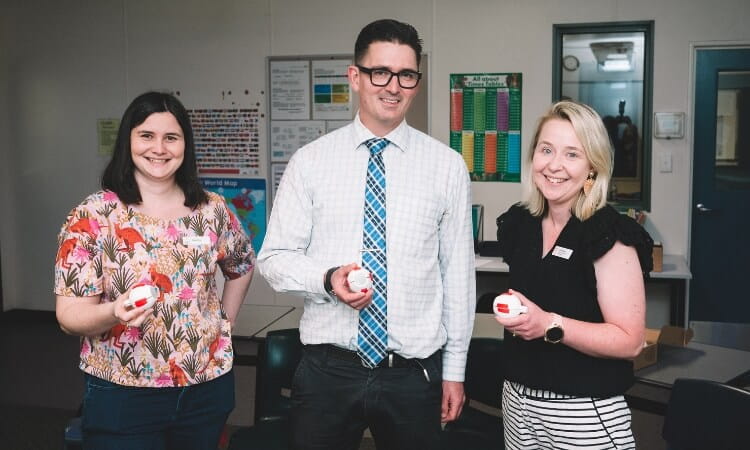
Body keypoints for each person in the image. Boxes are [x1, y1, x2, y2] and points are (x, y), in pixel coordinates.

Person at [257, 19, 475, 450]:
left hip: (413, 374)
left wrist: (455, 370)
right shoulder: (310, 162)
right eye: (380, 72)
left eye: (406, 75)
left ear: (416, 81)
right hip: (328, 371)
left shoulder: (446, 166)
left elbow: (458, 278)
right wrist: (327, 279)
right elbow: (274, 258)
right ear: (355, 77)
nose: (393, 86)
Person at [54, 91, 255, 449]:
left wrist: (226, 321)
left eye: (171, 137)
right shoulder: (93, 216)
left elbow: (241, 265)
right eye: (146, 135)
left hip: (205, 387)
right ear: (128, 140)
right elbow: (69, 316)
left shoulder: (213, 209)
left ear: (185, 145)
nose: (159, 148)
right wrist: (114, 311)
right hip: (123, 391)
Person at [494, 101, 653, 450]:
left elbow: (631, 341)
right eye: (546, 150)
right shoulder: (521, 223)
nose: (554, 165)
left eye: (571, 155)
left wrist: (549, 324)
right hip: (518, 404)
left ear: (592, 168)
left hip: (582, 413)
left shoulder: (608, 233)